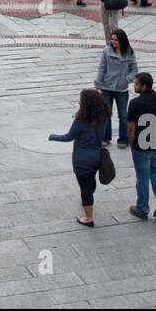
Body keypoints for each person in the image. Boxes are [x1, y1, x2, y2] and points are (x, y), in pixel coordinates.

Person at [47, 88, 111, 228]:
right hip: (96, 156)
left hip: (81, 159)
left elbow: (68, 137)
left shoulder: (81, 120)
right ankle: (89, 200)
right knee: (90, 183)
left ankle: (88, 218)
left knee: (85, 188)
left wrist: (52, 137)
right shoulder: (104, 117)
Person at [127, 71, 156, 220]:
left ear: (143, 86)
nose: (134, 86)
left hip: (141, 147)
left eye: (136, 84)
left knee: (142, 177)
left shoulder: (135, 103)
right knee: (155, 169)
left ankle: (142, 209)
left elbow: (131, 128)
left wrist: (131, 142)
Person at [95, 29, 138, 149]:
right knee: (106, 114)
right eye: (112, 39)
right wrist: (98, 84)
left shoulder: (129, 52)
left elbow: (134, 69)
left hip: (122, 89)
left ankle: (123, 139)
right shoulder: (106, 52)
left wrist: (127, 79)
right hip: (107, 87)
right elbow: (101, 68)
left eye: (116, 40)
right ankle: (105, 137)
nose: (113, 42)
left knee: (123, 115)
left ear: (122, 41)